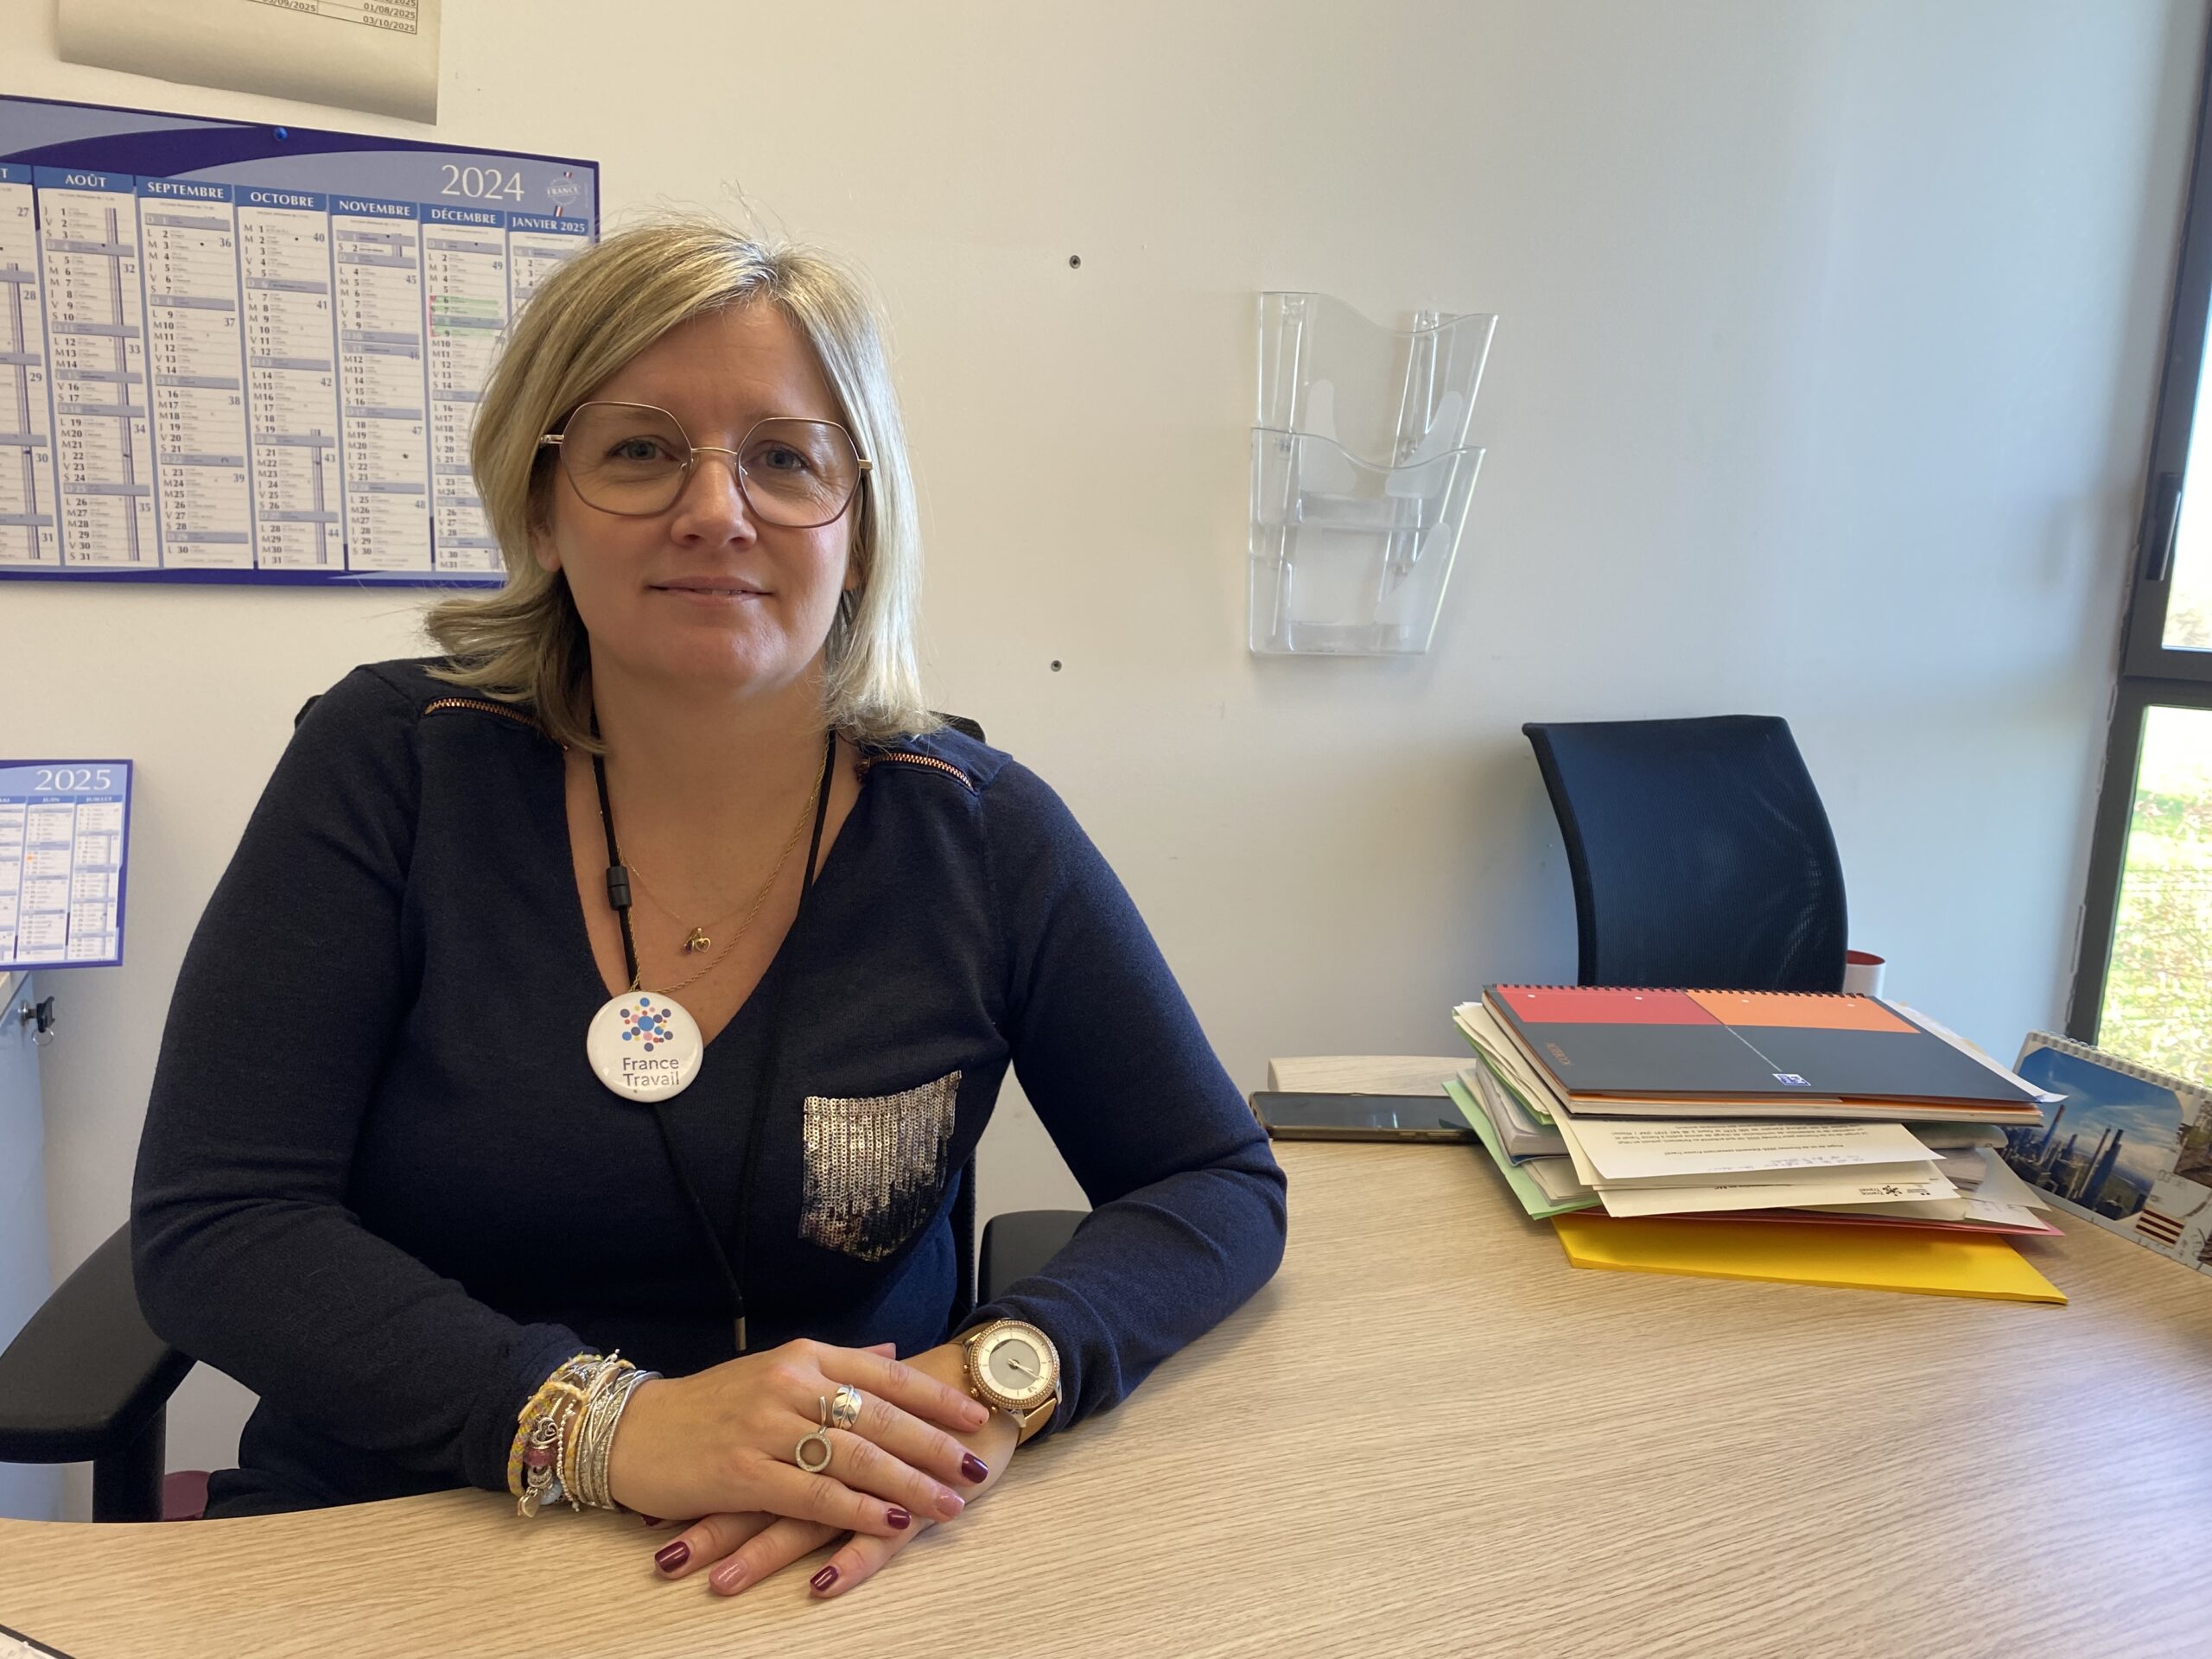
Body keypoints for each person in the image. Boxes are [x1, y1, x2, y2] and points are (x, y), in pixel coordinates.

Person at [131, 217, 1287, 1599]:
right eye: (640, 451)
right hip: (401, 1528)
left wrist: (992, 1383)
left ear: (860, 525)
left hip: (824, 1562)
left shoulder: (980, 832)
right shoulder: (392, 767)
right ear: (543, 507)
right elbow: (222, 1225)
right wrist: (608, 1425)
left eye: (786, 460)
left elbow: (1215, 1182)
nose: (717, 511)